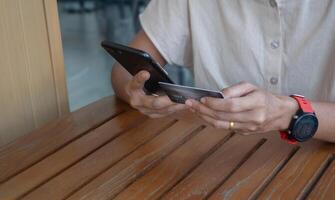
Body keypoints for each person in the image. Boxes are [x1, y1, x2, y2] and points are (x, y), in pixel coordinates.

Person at [111, 0, 335, 143]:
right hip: (214, 156)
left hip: (320, 157)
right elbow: (123, 71)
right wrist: (138, 92)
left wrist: (290, 114)